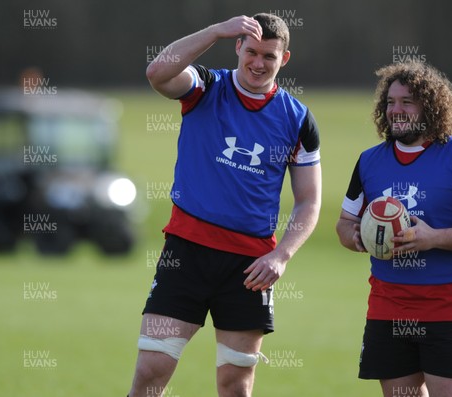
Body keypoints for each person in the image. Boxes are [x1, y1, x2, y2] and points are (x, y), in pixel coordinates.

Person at [127, 13, 321, 397]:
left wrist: (281, 256)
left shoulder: (298, 120)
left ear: (284, 59)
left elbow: (309, 201)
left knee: (235, 385)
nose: (258, 63)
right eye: (251, 51)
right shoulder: (206, 86)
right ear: (238, 47)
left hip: (250, 266)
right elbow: (157, 74)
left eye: (269, 55)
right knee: (152, 369)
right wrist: (215, 30)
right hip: (186, 252)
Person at [336, 61, 452, 397]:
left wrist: (433, 238)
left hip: (450, 304)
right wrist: (358, 237)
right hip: (389, 303)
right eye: (390, 102)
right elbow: (345, 223)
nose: (396, 111)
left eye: (407, 102)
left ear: (429, 106)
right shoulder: (369, 161)